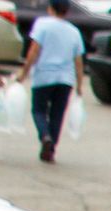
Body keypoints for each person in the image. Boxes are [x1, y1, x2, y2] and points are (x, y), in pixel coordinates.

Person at [17, 0, 83, 164]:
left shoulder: (42, 25)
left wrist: (24, 72)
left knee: (38, 110)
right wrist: (80, 85)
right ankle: (51, 148)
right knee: (57, 114)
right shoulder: (74, 31)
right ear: (67, 11)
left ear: (50, 9)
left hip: (44, 77)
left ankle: (45, 136)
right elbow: (78, 61)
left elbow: (34, 50)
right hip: (65, 80)